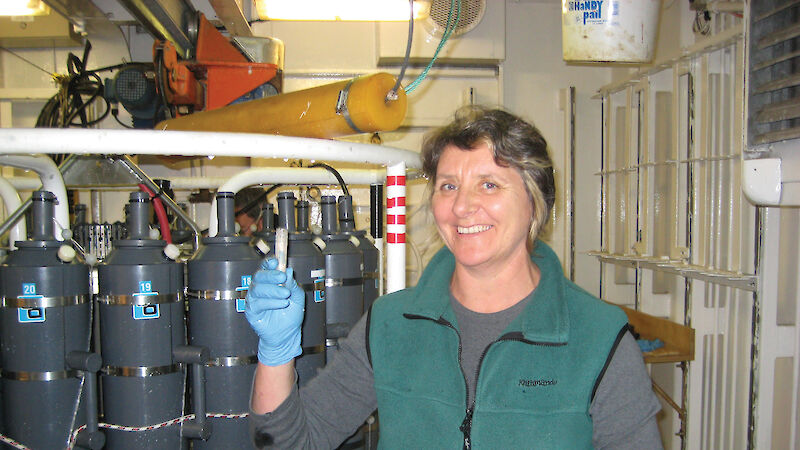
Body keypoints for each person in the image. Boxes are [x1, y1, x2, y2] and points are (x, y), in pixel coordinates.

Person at [245, 106, 663, 449]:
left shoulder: (599, 340)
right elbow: (288, 443)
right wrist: (276, 353)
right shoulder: (390, 325)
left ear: (535, 204)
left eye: (489, 184)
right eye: (448, 186)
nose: (463, 207)